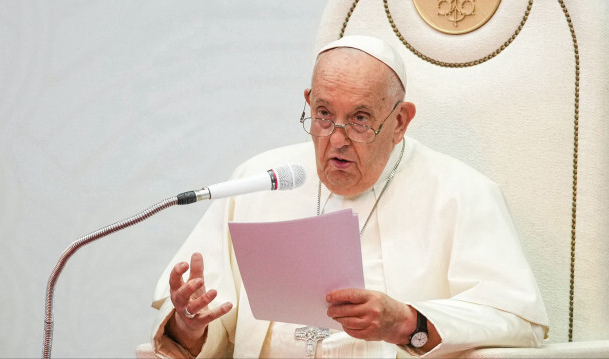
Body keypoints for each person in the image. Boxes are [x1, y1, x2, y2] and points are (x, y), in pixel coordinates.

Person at [150, 35, 549, 358]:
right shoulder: (258, 181)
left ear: (399, 121)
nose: (336, 140)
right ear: (309, 103)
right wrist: (189, 325)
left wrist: (408, 323)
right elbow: (206, 330)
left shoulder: (461, 193)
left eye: (360, 119)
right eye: (324, 114)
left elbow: (519, 323)